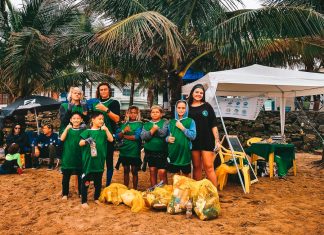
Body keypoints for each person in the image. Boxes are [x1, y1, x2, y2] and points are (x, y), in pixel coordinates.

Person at [188, 84, 221, 186]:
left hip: (207, 140)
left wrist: (217, 140)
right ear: (192, 93)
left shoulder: (207, 106)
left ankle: (214, 193)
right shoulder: (187, 108)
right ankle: (197, 193)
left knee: (209, 167)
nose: (199, 94)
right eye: (197, 92)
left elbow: (213, 124)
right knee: (196, 166)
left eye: (201, 93)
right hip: (193, 141)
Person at [79, 112, 113, 208]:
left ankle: (96, 198)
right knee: (86, 181)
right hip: (89, 161)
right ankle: (84, 201)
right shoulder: (87, 131)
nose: (101, 121)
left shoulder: (103, 131)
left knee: (98, 181)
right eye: (99, 119)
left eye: (102, 119)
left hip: (100, 161)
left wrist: (106, 129)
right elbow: (80, 143)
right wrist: (86, 141)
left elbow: (111, 139)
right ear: (93, 120)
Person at [92, 83, 120, 186]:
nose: (103, 91)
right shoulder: (94, 103)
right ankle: (96, 183)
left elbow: (117, 119)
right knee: (96, 159)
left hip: (108, 136)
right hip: (95, 135)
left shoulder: (114, 103)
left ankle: (108, 184)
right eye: (101, 90)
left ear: (109, 91)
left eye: (105, 89)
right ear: (98, 92)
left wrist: (105, 109)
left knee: (108, 161)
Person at [166, 100, 196, 177]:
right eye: (179, 108)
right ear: (176, 109)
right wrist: (168, 139)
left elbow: (193, 136)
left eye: (183, 108)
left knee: (185, 176)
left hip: (185, 153)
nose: (181, 110)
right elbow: (166, 136)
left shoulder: (190, 121)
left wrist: (183, 128)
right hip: (173, 152)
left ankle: (184, 189)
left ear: (187, 109)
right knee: (175, 176)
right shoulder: (171, 122)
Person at [141, 105, 168, 187]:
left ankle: (165, 190)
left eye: (157, 112)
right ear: (150, 114)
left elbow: (163, 134)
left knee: (162, 172)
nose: (155, 114)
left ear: (161, 114)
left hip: (161, 151)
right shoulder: (146, 124)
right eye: (153, 112)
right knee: (152, 170)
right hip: (150, 152)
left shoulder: (165, 122)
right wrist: (153, 130)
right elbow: (143, 137)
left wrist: (155, 130)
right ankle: (154, 191)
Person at [115, 106, 142, 189]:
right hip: (124, 150)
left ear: (138, 114)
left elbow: (137, 137)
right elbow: (117, 136)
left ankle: (135, 189)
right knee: (126, 170)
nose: (133, 114)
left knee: (134, 170)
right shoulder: (124, 124)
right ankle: (126, 188)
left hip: (134, 150)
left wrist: (124, 136)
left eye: (135, 113)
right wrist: (123, 131)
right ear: (128, 113)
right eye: (131, 113)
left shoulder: (140, 124)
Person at [60, 112, 84, 200]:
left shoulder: (83, 131)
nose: (76, 120)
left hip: (79, 158)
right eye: (74, 118)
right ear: (70, 120)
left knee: (81, 177)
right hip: (68, 157)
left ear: (81, 120)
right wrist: (67, 128)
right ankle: (65, 193)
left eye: (78, 118)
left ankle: (81, 193)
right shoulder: (67, 129)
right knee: (66, 178)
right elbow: (62, 139)